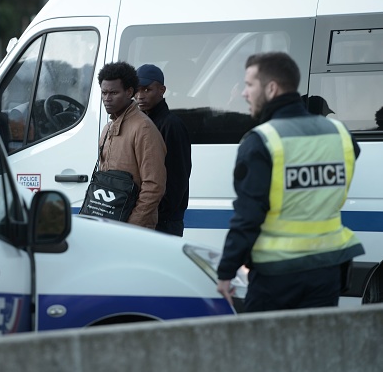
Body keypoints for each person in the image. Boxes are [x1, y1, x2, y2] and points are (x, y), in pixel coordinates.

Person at [216, 52, 364, 312]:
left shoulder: (262, 140)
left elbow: (248, 216)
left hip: (278, 276)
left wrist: (226, 270)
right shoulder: (340, 134)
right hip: (328, 271)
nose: (243, 93)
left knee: (266, 349)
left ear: (271, 88)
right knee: (315, 348)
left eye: (250, 85)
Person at [97, 61, 166, 229]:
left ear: (129, 92)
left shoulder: (143, 128)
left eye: (113, 92)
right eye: (104, 92)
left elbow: (154, 186)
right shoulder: (108, 128)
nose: (107, 98)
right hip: (109, 223)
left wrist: (132, 226)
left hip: (132, 229)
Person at [136, 64, 191, 236]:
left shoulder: (171, 125)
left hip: (164, 221)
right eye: (136, 91)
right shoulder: (141, 123)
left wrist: (159, 213)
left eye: (147, 90)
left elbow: (178, 177)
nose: (140, 96)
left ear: (162, 90)